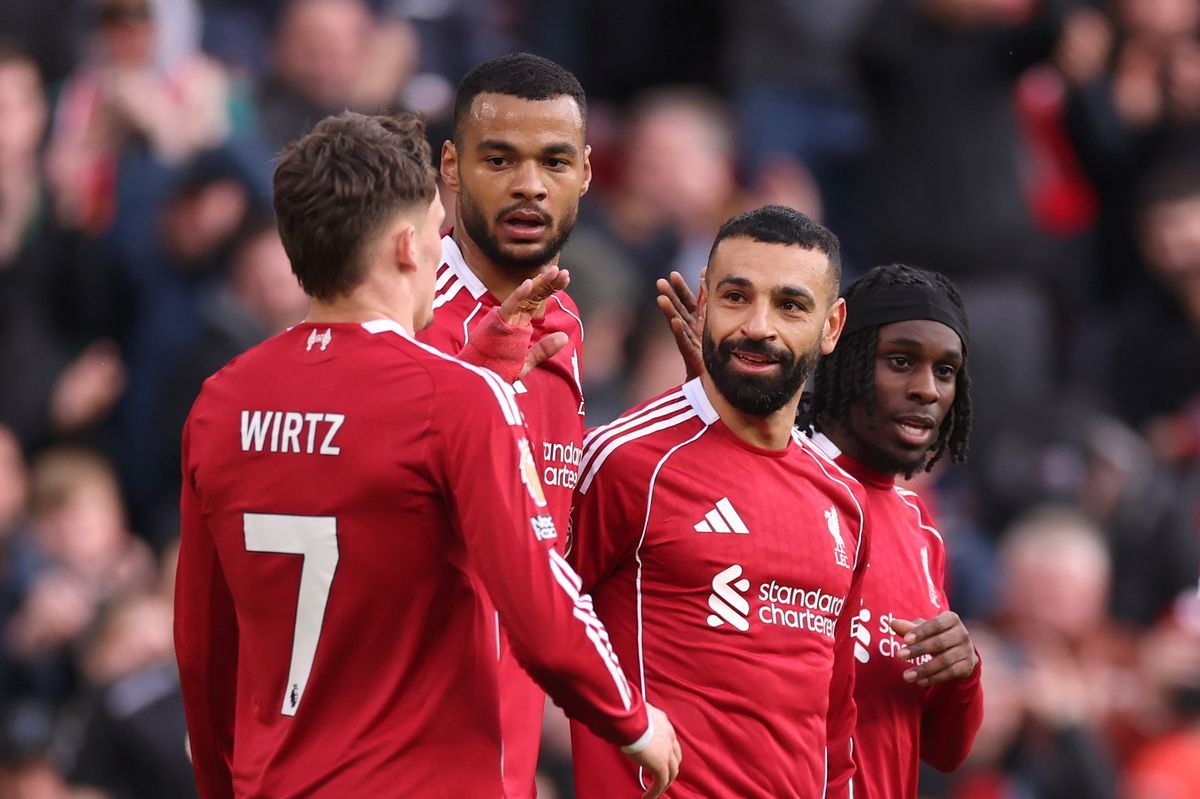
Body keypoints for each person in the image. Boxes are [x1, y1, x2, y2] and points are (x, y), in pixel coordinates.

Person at [172, 111, 680, 799]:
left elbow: (204, 648)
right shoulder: (456, 400)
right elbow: (538, 602)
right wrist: (634, 720)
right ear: (411, 246)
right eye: (439, 230)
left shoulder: (220, 402)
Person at [568, 205, 867, 797]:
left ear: (832, 327)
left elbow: (834, 728)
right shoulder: (627, 462)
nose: (759, 325)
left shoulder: (843, 500)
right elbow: (525, 624)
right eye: (736, 296)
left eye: (790, 305)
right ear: (702, 301)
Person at [659, 261, 984, 798]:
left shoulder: (921, 529)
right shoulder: (777, 481)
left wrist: (962, 675)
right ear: (845, 362)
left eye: (945, 371)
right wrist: (712, 407)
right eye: (900, 362)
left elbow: (944, 752)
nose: (927, 389)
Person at [416, 52, 590, 797]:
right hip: (410, 745)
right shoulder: (407, 315)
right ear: (450, 168)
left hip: (507, 751)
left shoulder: (564, 318)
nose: (529, 184)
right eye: (500, 159)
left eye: (554, 161)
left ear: (586, 172)